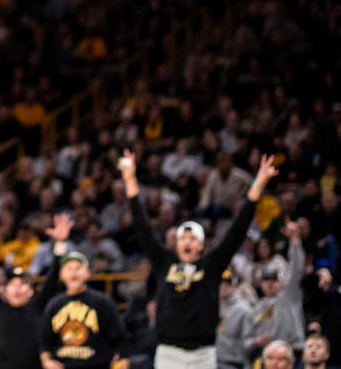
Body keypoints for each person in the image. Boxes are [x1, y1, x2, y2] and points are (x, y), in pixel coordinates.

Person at [118, 151, 278, 369]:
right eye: (183, 238)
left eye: (193, 238)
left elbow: (237, 230)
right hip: (168, 352)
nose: (187, 242)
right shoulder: (165, 263)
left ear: (201, 245)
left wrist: (258, 183)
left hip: (203, 354)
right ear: (176, 244)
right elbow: (143, 227)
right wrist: (130, 179)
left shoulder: (210, 266)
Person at [0, 213, 71, 369]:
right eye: (12, 284)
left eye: (22, 284)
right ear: (5, 291)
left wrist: (60, 242)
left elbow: (52, 277)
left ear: (30, 291)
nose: (17, 289)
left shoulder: (37, 306)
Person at [39, 252, 127, 369]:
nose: (73, 272)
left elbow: (119, 337)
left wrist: (124, 360)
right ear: (61, 274)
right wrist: (46, 360)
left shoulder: (103, 302)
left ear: (87, 273)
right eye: (69, 268)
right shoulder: (54, 304)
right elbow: (44, 341)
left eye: (78, 268)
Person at [244, 221, 307, 359]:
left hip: (293, 355)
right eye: (266, 281)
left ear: (281, 282)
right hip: (267, 358)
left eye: (274, 280)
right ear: (261, 285)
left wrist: (295, 240)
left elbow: (296, 269)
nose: (270, 284)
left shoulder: (290, 296)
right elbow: (245, 341)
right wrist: (255, 342)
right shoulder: (256, 307)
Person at [215, 270, 250, 369]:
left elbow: (248, 341)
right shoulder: (213, 306)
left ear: (235, 286)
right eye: (220, 283)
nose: (223, 287)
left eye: (228, 284)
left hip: (234, 360)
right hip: (213, 357)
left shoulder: (244, 309)